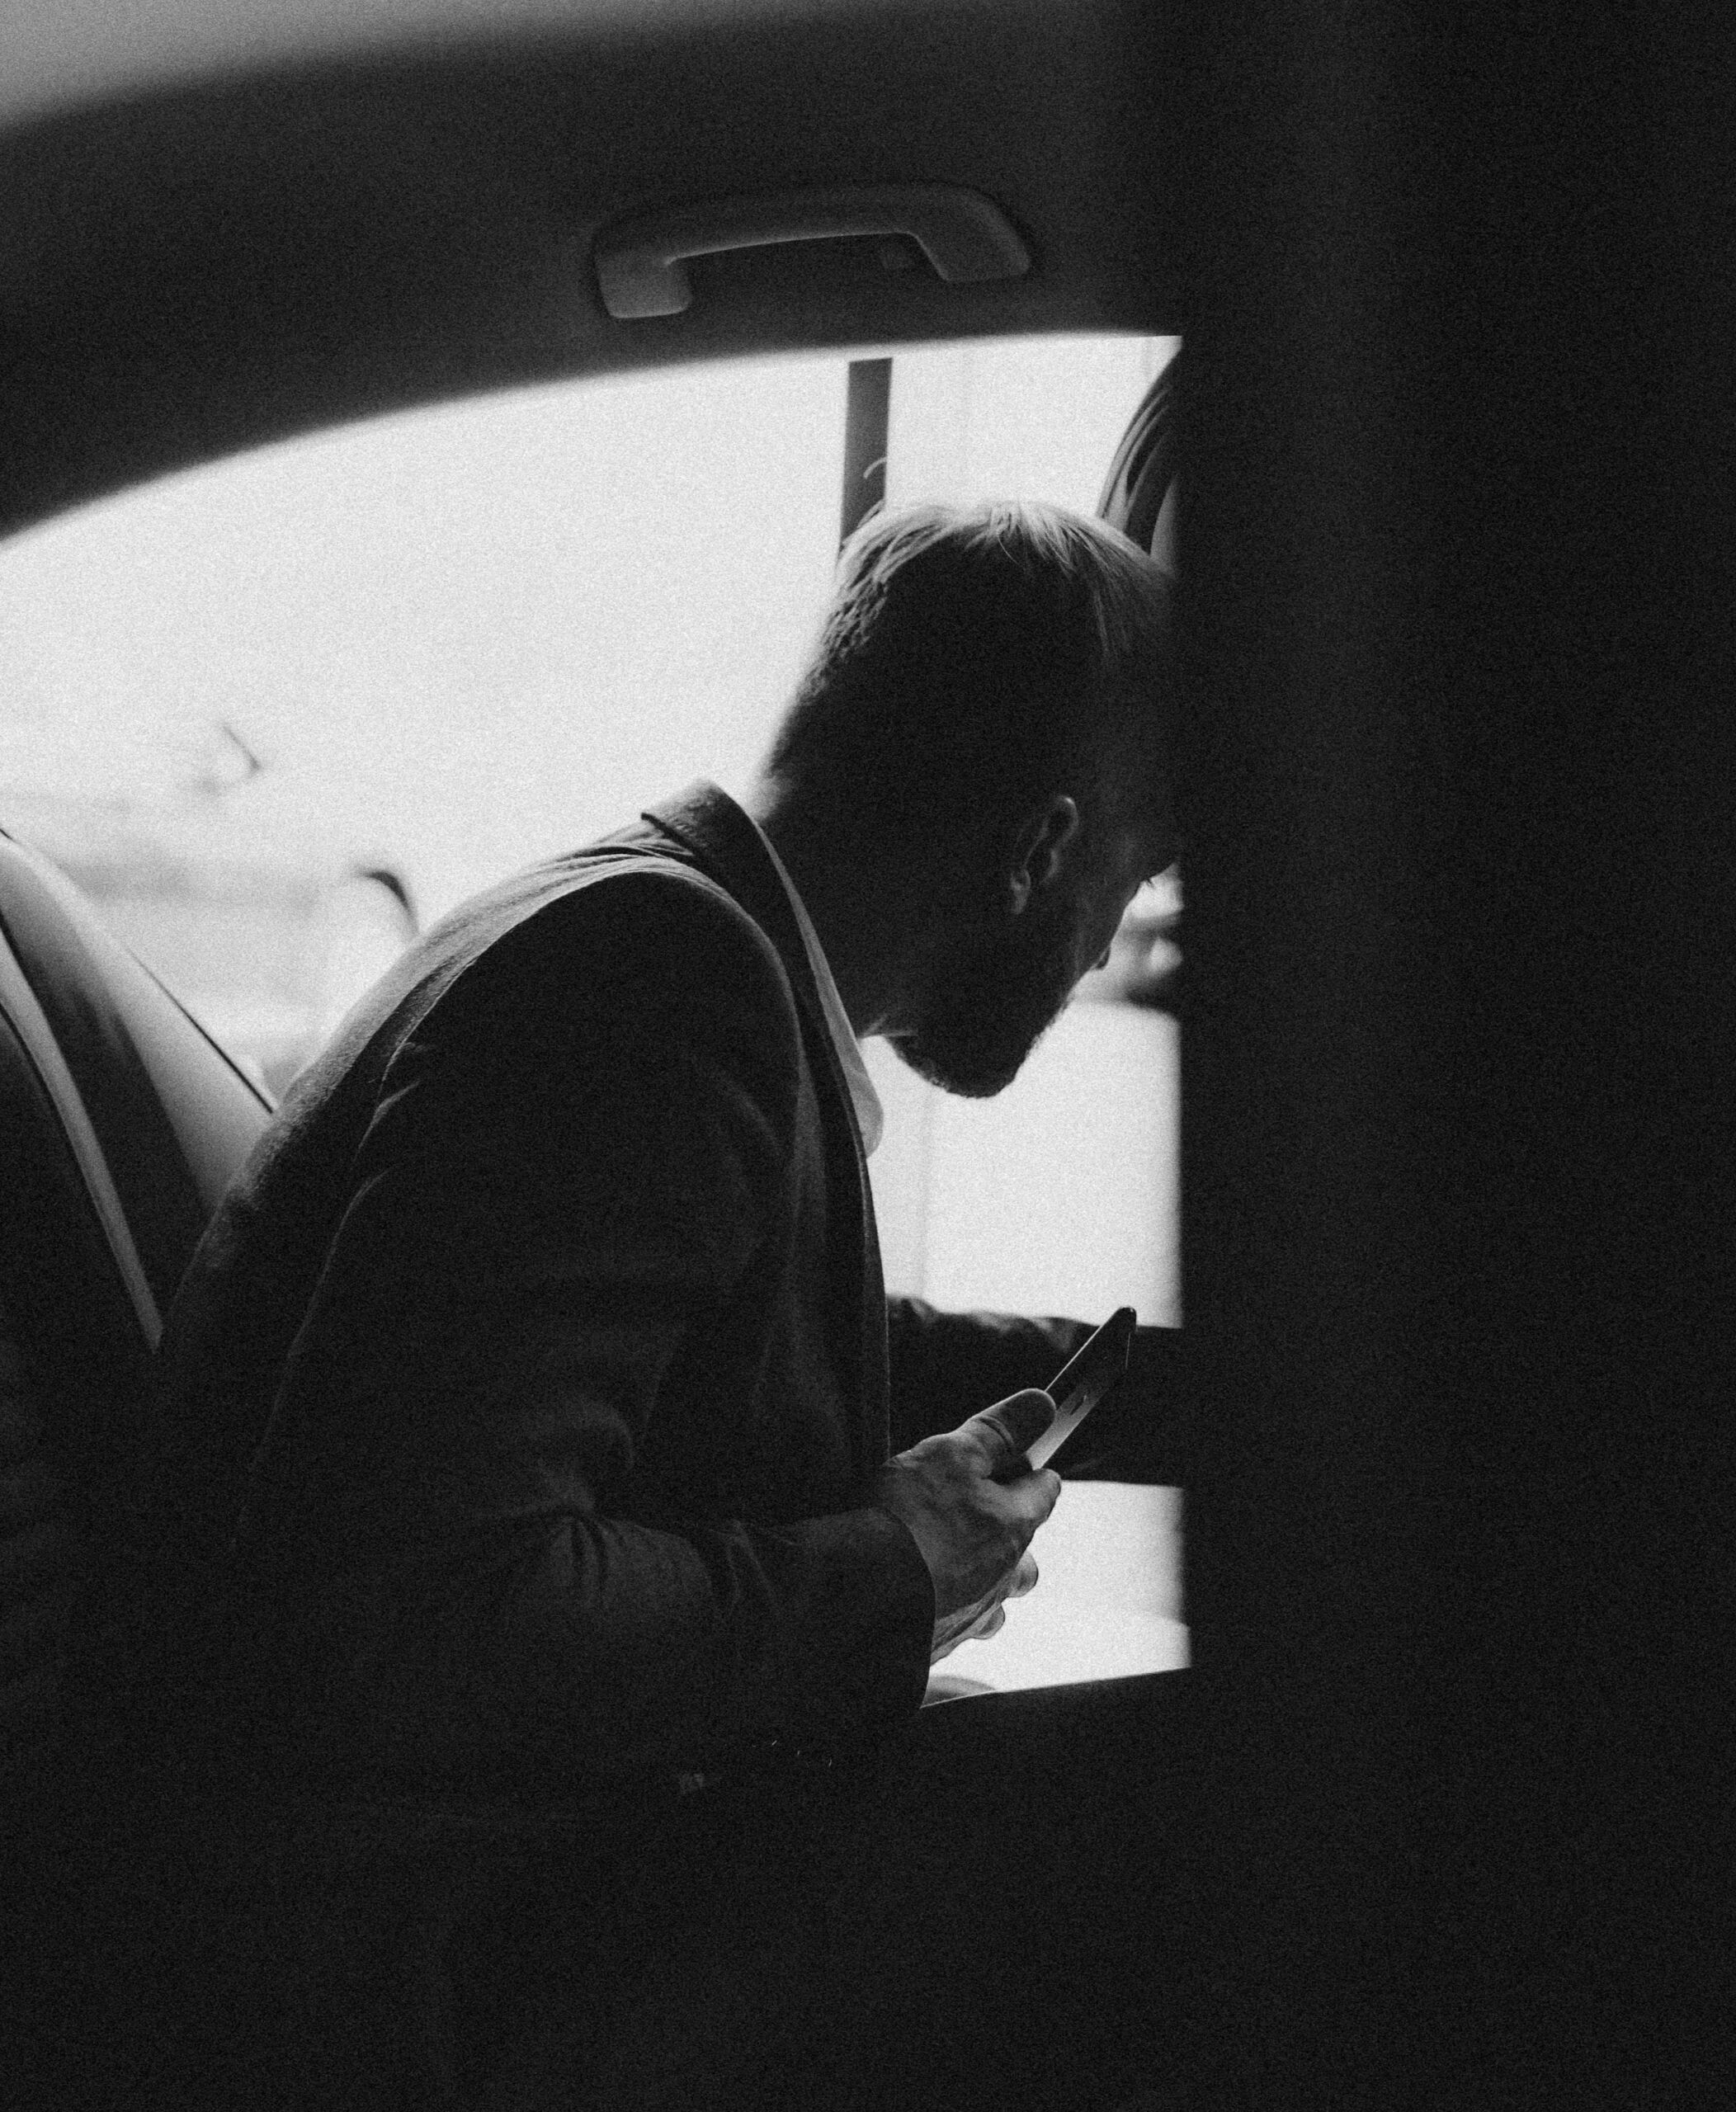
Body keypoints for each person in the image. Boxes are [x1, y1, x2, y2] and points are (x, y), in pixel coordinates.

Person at [66, 501, 1201, 2110]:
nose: (1100, 949)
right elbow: (425, 1616)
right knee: (1159, 1832)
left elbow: (785, 1348)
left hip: (441, 1897)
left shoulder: (673, 941)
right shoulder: (653, 998)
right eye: (1127, 881)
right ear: (1034, 852)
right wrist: (888, 1571)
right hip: (406, 1984)